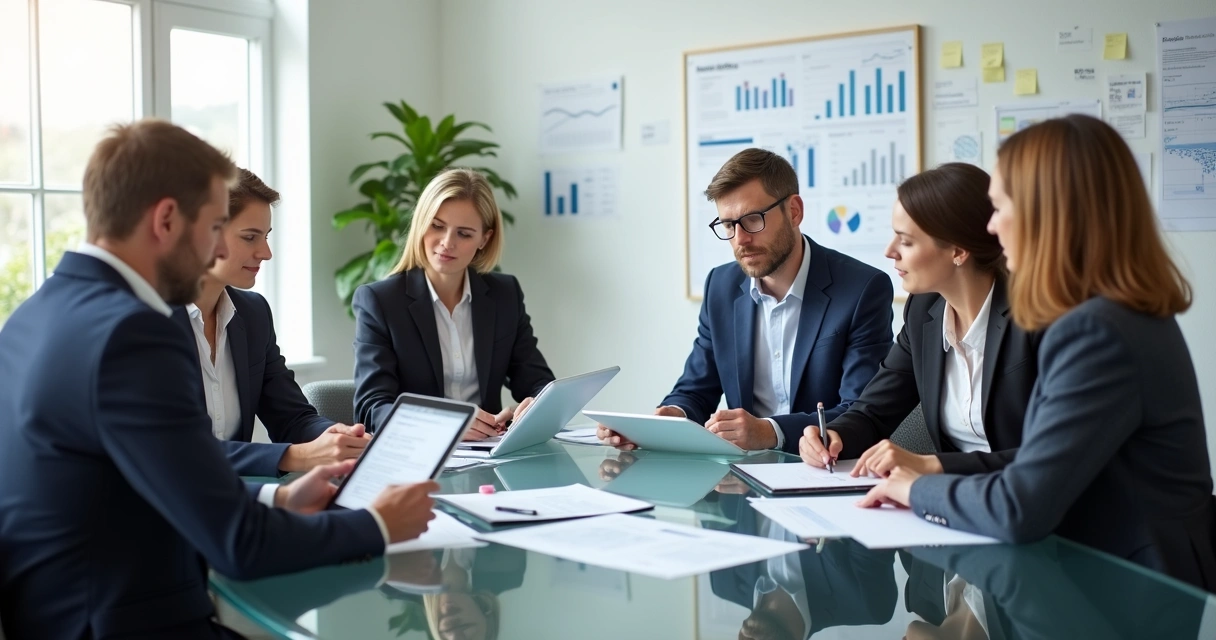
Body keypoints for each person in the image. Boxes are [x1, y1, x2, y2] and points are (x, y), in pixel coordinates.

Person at [0, 120, 438, 639]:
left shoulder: (32, 315)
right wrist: (379, 523)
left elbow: (131, 481)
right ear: (166, 220)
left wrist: (274, 498)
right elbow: (241, 547)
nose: (215, 251)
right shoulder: (134, 334)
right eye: (213, 228)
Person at [859, 115, 1216, 592]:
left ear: (1049, 214)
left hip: (1135, 588)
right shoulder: (1111, 314)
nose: (991, 226)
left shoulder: (1098, 330)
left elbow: (1019, 506)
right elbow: (1037, 469)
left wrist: (915, 487)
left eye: (1000, 206)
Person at [599, 148, 894, 453]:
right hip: (743, 475)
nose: (740, 239)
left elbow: (861, 412)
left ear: (794, 211)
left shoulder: (862, 289)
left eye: (753, 219)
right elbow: (696, 390)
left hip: (823, 471)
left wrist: (770, 432)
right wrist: (670, 418)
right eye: (728, 225)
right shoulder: (720, 287)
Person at [798, 163, 1041, 477]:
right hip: (953, 502)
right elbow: (873, 412)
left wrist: (932, 465)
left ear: (957, 250)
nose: (889, 251)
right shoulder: (923, 311)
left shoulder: (1035, 316)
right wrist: (834, 435)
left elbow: (1051, 456)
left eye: (906, 241)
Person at [172, 168, 370, 477]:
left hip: (236, 500)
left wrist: (338, 437)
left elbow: (291, 417)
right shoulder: (146, 319)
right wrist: (292, 457)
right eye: (250, 237)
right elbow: (175, 449)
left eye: (265, 237)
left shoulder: (253, 313)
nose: (265, 253)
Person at [353, 168, 554, 440]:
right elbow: (371, 409)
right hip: (418, 455)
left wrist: (535, 404)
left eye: (464, 233)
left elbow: (537, 381)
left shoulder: (505, 295)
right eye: (437, 226)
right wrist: (445, 424)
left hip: (488, 454)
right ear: (421, 224)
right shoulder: (380, 301)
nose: (447, 243)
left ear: (484, 238)